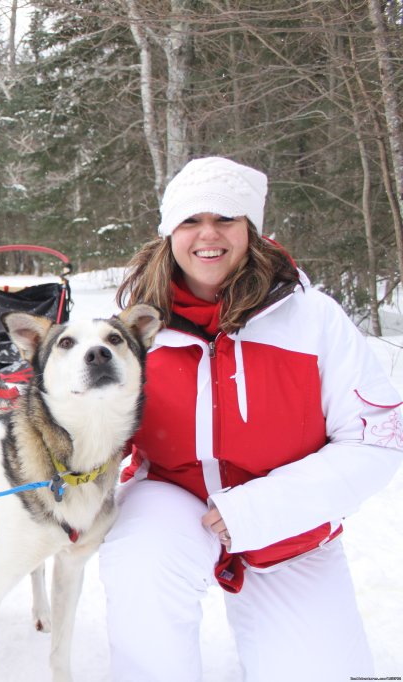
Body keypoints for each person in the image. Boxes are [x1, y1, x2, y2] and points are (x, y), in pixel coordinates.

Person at [101, 156, 403, 681]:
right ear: (170, 231)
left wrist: (261, 508)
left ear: (251, 230)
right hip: (173, 495)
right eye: (191, 220)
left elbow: (375, 440)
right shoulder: (136, 325)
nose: (208, 235)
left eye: (225, 219)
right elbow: (90, 423)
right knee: (139, 564)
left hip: (289, 522)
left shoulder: (312, 318)